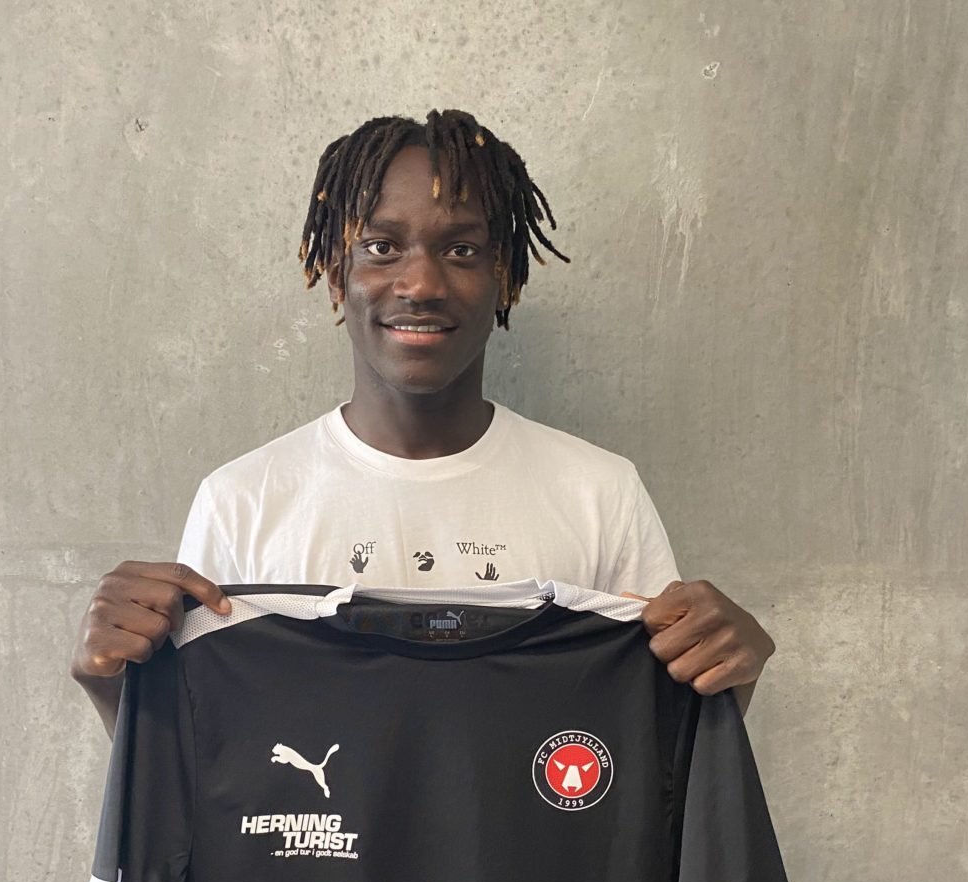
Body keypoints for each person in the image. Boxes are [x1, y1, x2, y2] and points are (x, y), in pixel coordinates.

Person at [70, 108, 775, 739]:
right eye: (382, 246)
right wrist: (115, 689)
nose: (422, 284)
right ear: (334, 269)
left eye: (461, 250)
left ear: (505, 275)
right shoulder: (242, 502)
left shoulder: (600, 492)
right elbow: (207, 765)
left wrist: (729, 682)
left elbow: (652, 750)